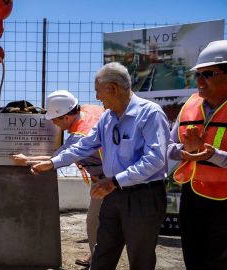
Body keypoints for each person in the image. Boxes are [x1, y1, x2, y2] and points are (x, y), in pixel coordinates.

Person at [31, 62, 169, 270]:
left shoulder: (150, 114)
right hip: (113, 195)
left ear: (113, 88)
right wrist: (52, 163)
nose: (97, 97)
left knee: (141, 259)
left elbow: (156, 159)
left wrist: (115, 181)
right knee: (102, 254)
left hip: (143, 197)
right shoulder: (107, 118)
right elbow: (84, 146)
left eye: (98, 91)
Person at [12, 90, 104, 267]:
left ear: (67, 117)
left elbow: (55, 160)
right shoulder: (89, 110)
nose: (52, 122)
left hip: (106, 180)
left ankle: (97, 261)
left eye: (55, 118)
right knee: (98, 222)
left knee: (94, 221)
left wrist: (27, 160)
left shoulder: (79, 136)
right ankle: (96, 256)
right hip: (107, 175)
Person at [168, 40, 227, 269]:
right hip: (193, 197)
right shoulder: (190, 105)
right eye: (197, 75)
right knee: (193, 258)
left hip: (224, 202)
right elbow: (169, 146)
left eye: (208, 74)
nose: (199, 81)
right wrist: (186, 152)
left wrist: (211, 154)